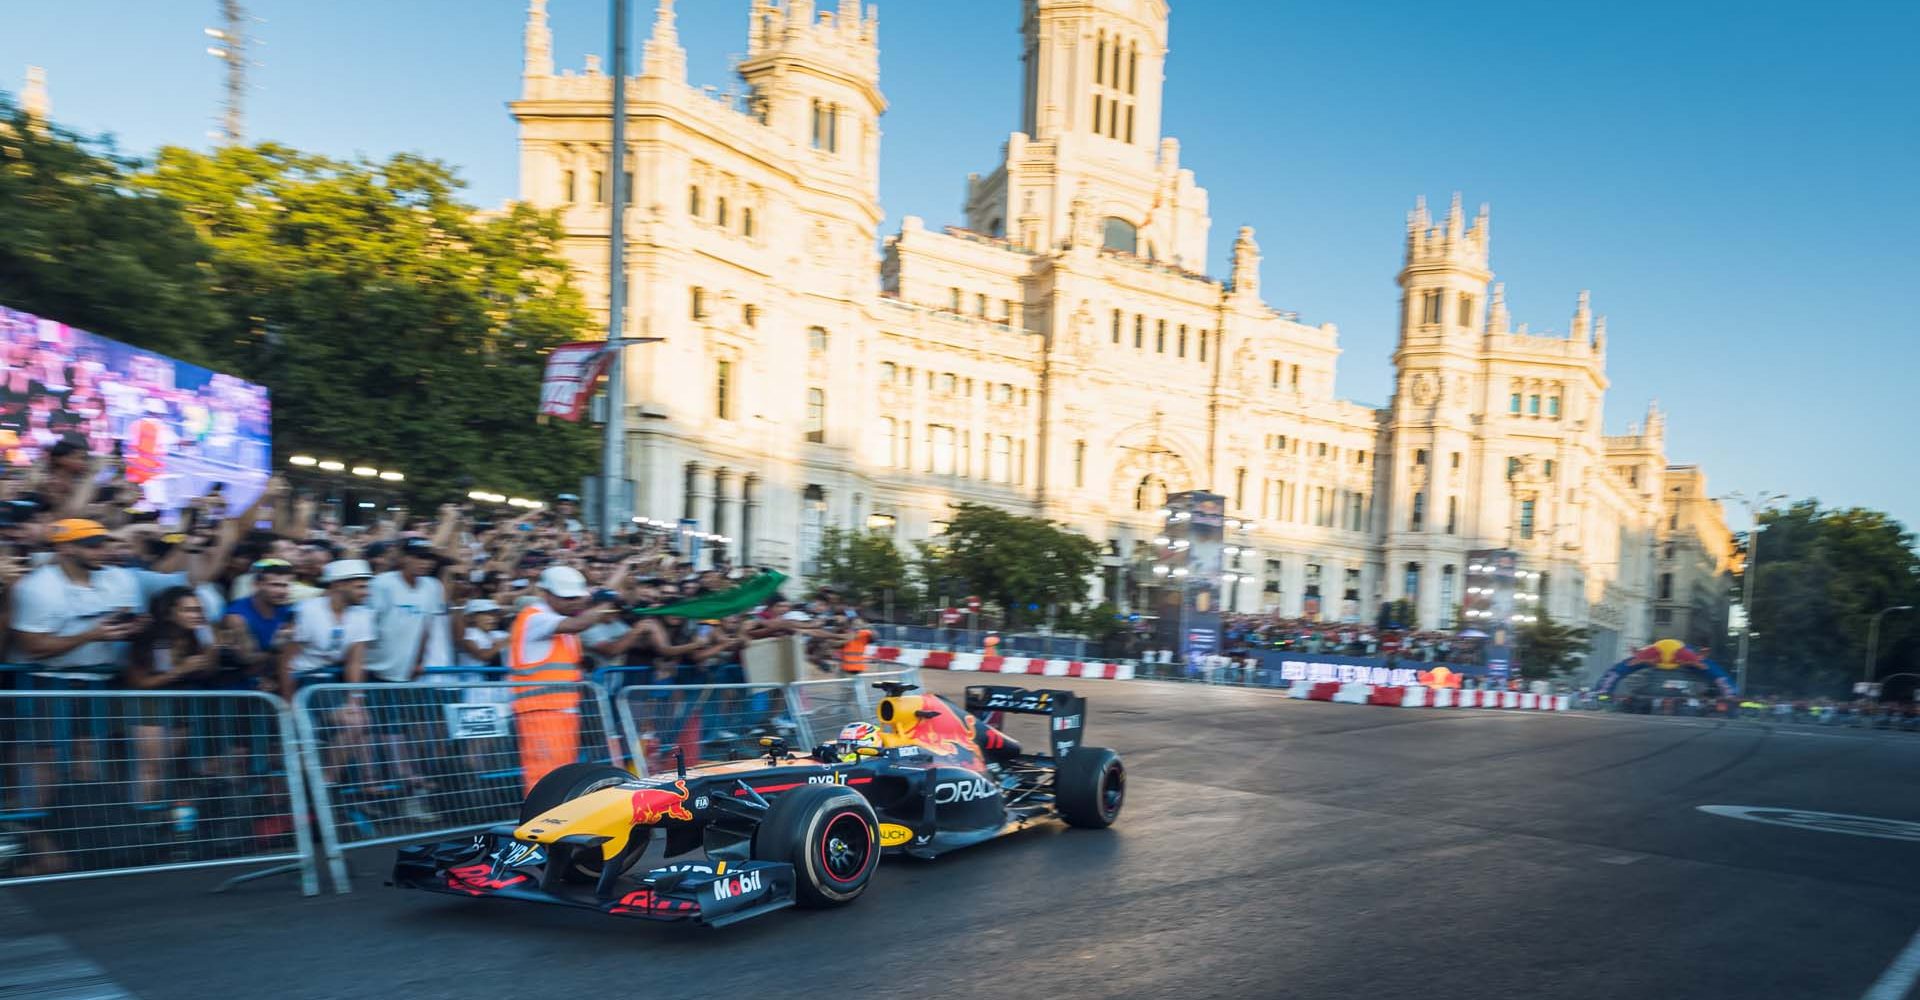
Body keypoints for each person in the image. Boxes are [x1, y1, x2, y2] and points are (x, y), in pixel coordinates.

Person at [507, 565, 618, 793]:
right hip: (540, 713)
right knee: (544, 778)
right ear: (546, 594)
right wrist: (606, 606)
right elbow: (579, 623)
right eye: (567, 598)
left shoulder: (555, 618)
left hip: (562, 712)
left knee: (561, 776)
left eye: (577, 598)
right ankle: (537, 824)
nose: (574, 602)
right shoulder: (534, 618)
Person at [8, 518, 145, 680]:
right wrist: (90, 635)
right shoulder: (37, 587)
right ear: (65, 548)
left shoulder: (121, 577)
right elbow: (33, 648)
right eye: (93, 546)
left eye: (104, 544)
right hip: (45, 681)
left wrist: (134, 629)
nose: (103, 551)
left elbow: (122, 627)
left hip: (100, 679)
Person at [365, 538, 448, 684]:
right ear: (403, 558)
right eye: (419, 557)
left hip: (407, 671)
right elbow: (366, 626)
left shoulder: (433, 586)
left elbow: (426, 628)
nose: (425, 563)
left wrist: (419, 661)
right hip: (373, 669)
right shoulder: (381, 583)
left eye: (429, 558)